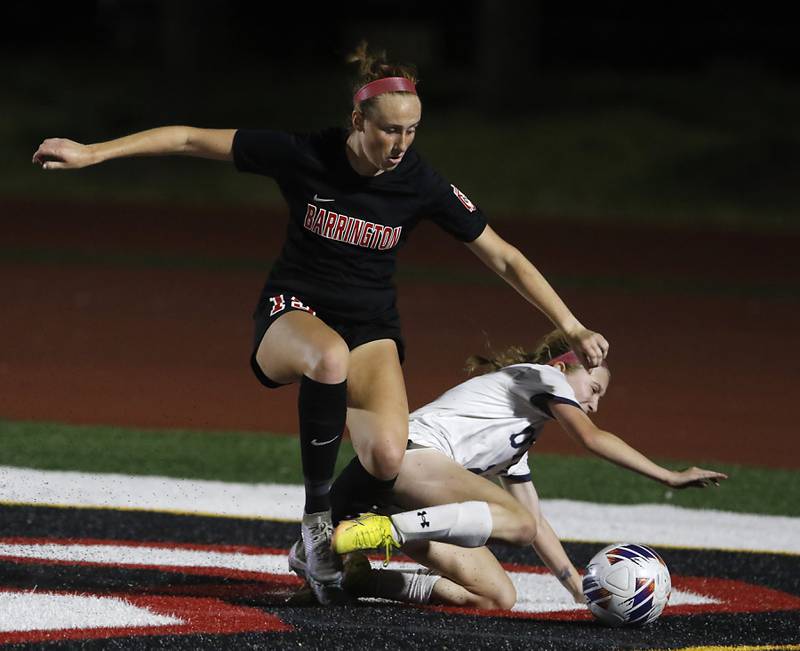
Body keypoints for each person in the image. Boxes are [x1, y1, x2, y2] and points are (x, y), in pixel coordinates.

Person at [31, 44, 609, 605]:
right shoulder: (306, 155)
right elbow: (187, 137)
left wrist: (571, 324)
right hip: (291, 315)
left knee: (386, 458)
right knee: (327, 358)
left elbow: (504, 255)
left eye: (412, 131)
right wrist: (93, 153)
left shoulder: (418, 182)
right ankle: (315, 521)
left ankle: (336, 556)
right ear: (358, 118)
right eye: (389, 130)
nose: (401, 144)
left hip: (371, 328)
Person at [325, 330, 727, 609]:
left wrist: (577, 589)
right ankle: (380, 531)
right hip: (410, 458)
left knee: (497, 596)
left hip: (408, 492)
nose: (594, 403)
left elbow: (534, 521)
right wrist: (669, 476)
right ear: (567, 364)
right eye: (594, 389)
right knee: (519, 524)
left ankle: (357, 578)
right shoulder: (543, 377)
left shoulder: (518, 436)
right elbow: (591, 438)